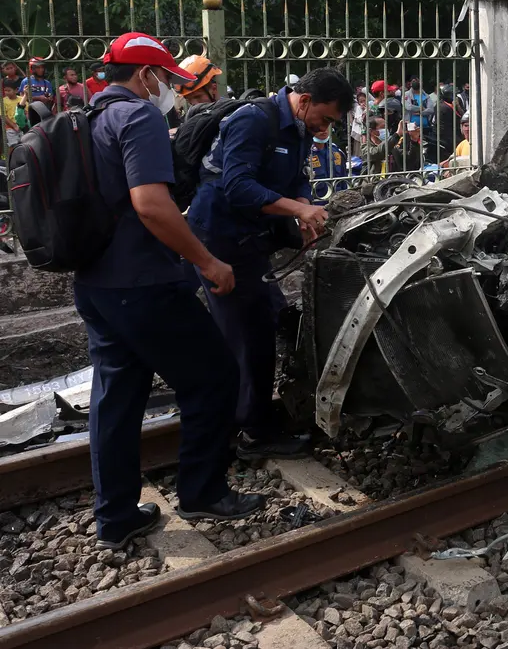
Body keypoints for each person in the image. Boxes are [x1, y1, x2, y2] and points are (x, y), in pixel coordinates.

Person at [75, 32, 266, 548]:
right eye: (166, 79)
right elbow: (152, 205)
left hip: (95, 285)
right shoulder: (138, 117)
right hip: (145, 284)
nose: (171, 90)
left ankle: (115, 517)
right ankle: (203, 491)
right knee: (213, 376)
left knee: (116, 399)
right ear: (145, 76)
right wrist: (206, 261)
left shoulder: (85, 119)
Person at [189, 67, 351, 461]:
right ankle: (251, 433)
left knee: (265, 323)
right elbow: (237, 185)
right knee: (249, 338)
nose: (325, 128)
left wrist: (301, 212)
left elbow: (294, 181)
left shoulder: (296, 130)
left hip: (250, 240)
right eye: (325, 118)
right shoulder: (254, 119)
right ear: (306, 100)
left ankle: (240, 418)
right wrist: (296, 207)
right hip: (221, 241)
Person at [307, 127, 347, 203]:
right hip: (315, 204)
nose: (324, 130)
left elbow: (343, 180)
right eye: (319, 126)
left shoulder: (336, 151)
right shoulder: (306, 152)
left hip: (337, 203)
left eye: (327, 126)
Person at [2, 79, 21, 160]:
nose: (6, 92)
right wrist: (14, 126)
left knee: (23, 143)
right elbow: (3, 115)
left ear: (16, 90)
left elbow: (26, 112)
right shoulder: (3, 101)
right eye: (5, 90)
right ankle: (11, 161)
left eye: (9, 90)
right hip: (10, 128)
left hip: (21, 126)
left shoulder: (21, 99)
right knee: (12, 145)